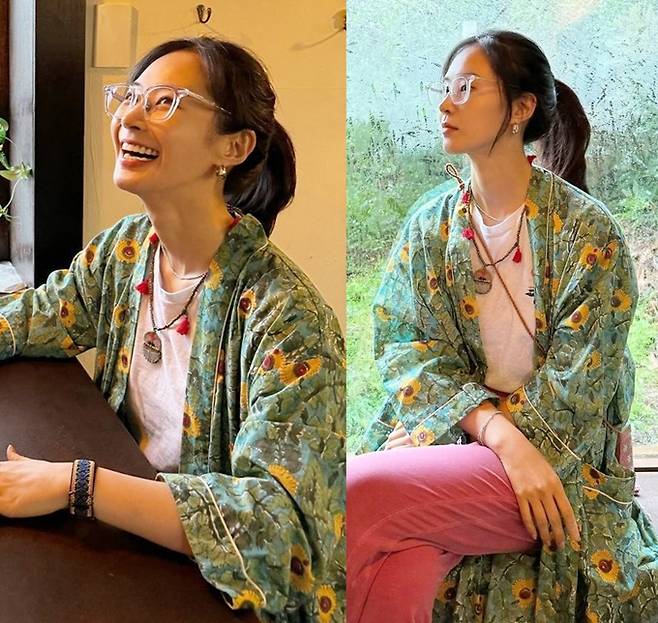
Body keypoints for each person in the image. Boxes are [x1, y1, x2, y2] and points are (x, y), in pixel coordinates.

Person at [0, 36, 345, 622]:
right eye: (129, 97)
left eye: (164, 102)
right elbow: (36, 317)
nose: (129, 118)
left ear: (233, 146)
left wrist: (77, 485)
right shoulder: (128, 250)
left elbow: (281, 532)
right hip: (128, 548)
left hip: (218, 593)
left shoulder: (288, 319)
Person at [347, 30, 658, 622]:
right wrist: (489, 432)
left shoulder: (589, 234)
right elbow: (405, 348)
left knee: (357, 492)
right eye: (445, 88)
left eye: (467, 88)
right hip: (467, 440)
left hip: (556, 460)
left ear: (520, 109)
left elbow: (578, 389)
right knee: (398, 562)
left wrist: (498, 442)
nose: (446, 103)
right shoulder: (430, 225)